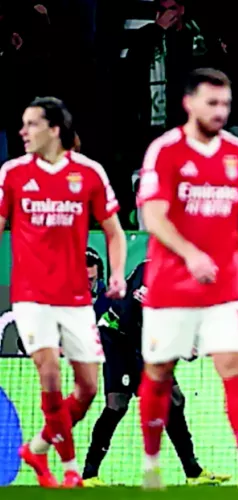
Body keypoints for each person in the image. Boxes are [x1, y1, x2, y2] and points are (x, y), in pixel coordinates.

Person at [135, 68, 238, 490]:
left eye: (225, 104)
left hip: (224, 286)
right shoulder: (165, 151)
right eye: (212, 103)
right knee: (159, 371)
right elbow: (153, 215)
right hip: (171, 285)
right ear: (188, 103)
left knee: (233, 365)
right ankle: (150, 461)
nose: (220, 112)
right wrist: (190, 254)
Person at [0, 97, 127, 488]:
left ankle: (37, 448)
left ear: (54, 129)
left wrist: (118, 273)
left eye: (31, 124)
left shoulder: (89, 173)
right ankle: (69, 468)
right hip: (31, 296)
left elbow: (114, 231)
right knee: (50, 375)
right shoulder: (13, 173)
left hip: (75, 300)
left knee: (88, 389)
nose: (23, 132)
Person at [82, 260, 232, 487]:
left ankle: (193, 472)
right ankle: (88, 474)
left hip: (143, 340)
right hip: (117, 335)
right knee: (117, 404)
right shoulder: (151, 271)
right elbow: (128, 317)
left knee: (174, 399)